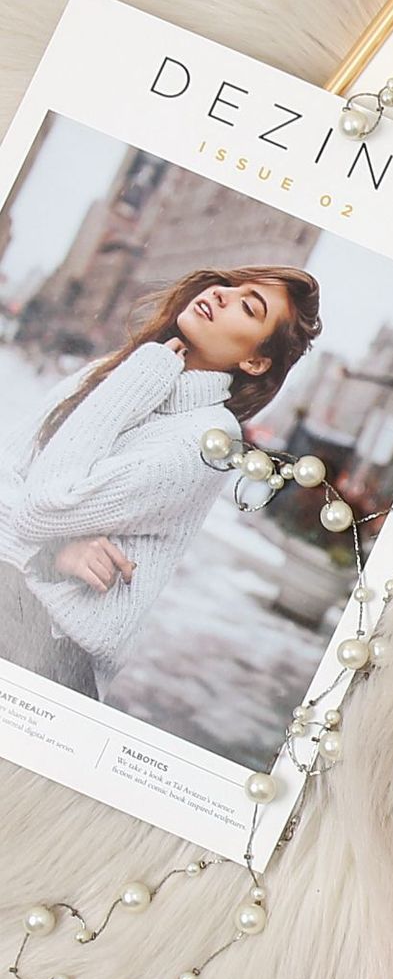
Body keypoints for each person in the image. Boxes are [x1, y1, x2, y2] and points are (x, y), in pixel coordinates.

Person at [0, 264, 322, 697]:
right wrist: (54, 552)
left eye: (249, 307)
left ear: (255, 361)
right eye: (230, 286)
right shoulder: (115, 371)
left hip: (47, 658)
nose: (222, 294)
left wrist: (44, 547)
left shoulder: (207, 442)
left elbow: (42, 507)